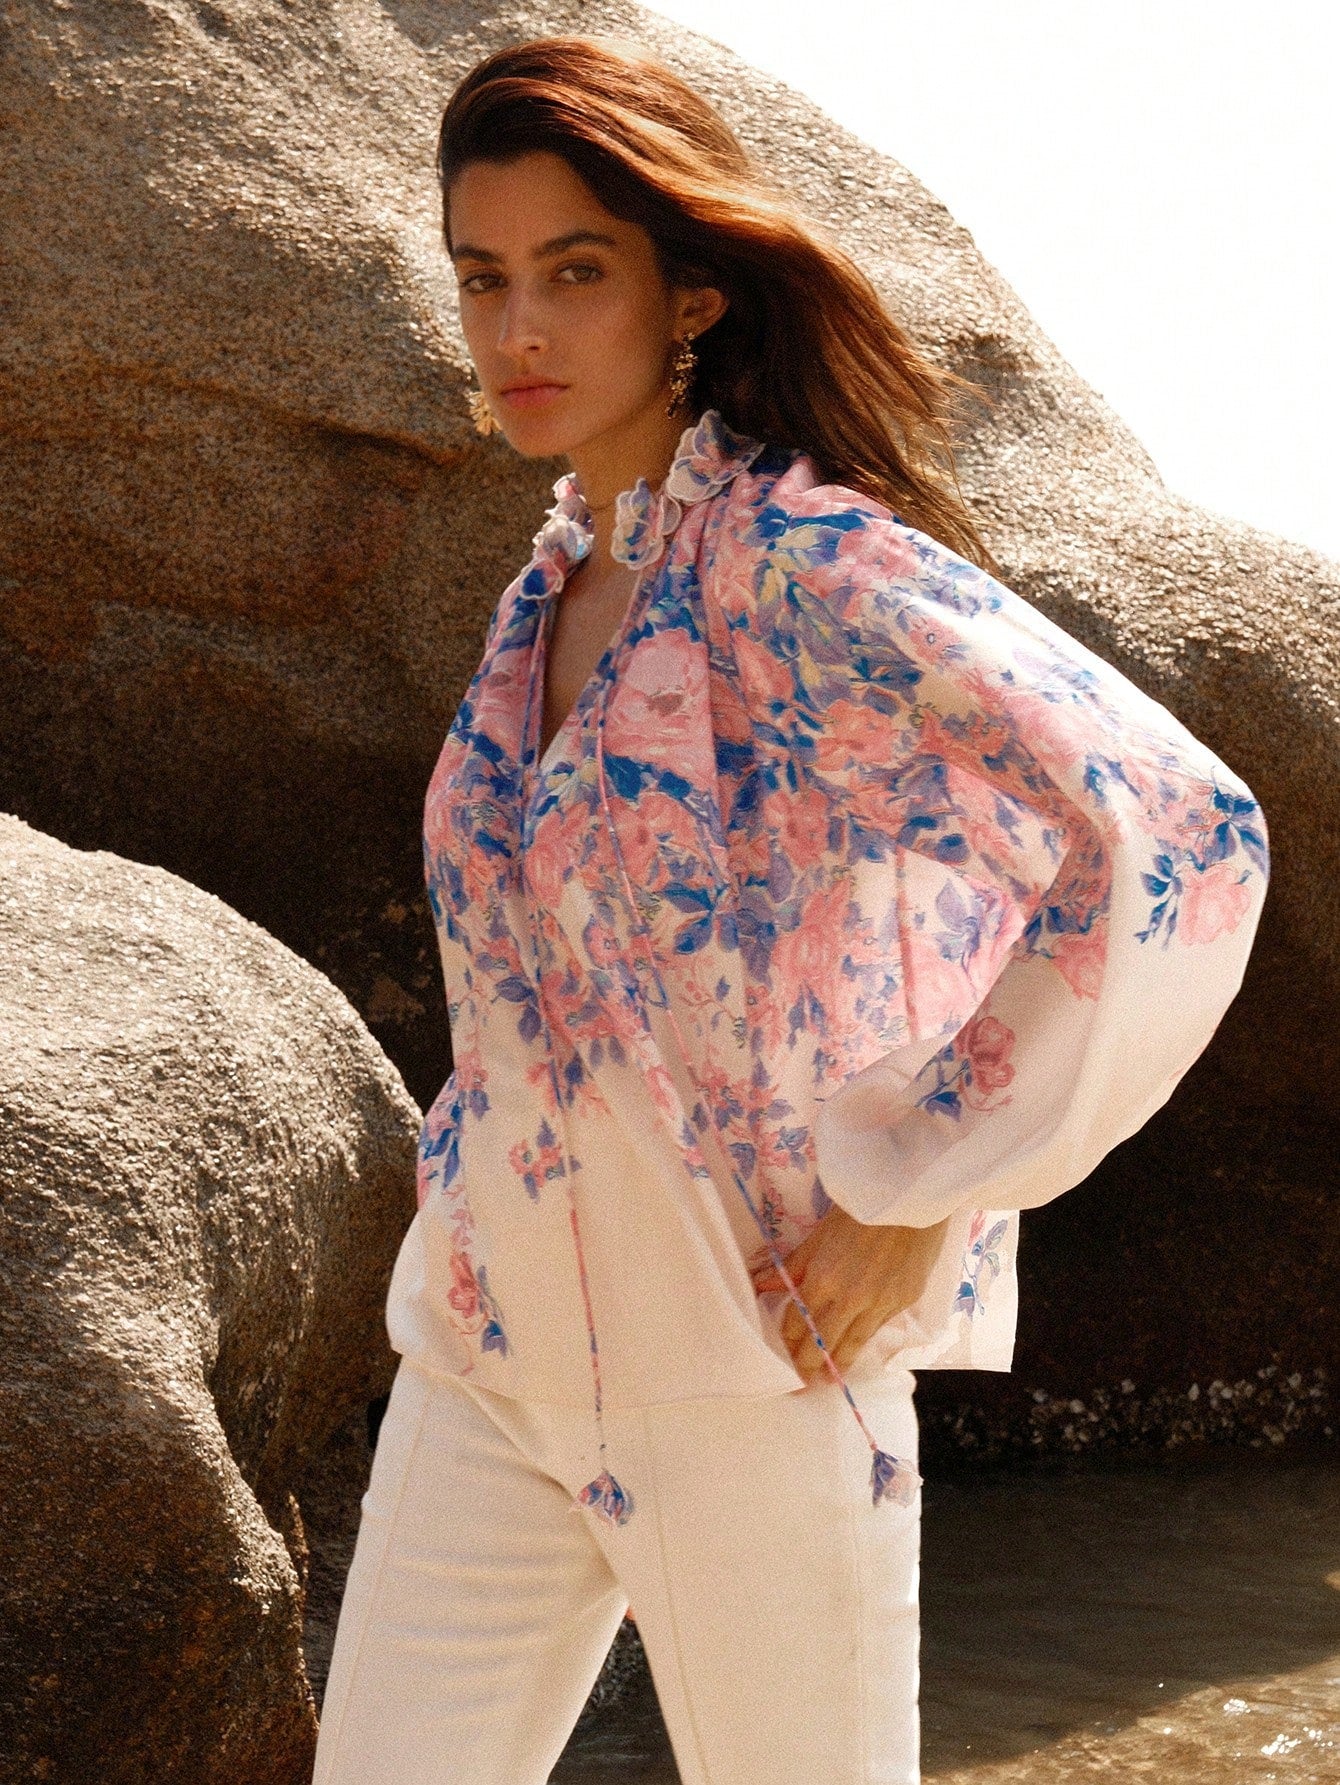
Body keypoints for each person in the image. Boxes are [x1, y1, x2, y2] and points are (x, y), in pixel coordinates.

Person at [312, 33, 1269, 1785]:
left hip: (750, 1368)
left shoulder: (801, 564)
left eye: (573, 273)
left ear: (688, 295)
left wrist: (931, 1187)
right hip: (487, 1358)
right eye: (483, 278)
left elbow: (1178, 829)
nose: (518, 329)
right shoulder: (554, 583)